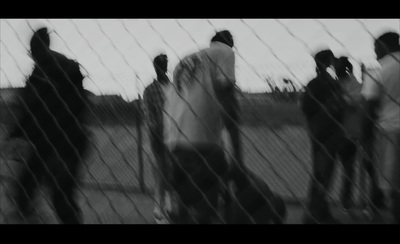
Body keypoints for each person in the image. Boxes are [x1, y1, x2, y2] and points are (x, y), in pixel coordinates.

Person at [6, 27, 88, 224]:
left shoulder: (53, 71)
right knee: (32, 189)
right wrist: (13, 136)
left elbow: (31, 113)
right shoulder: (45, 72)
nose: (33, 55)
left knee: (58, 196)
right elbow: (30, 113)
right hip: (53, 143)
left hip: (61, 144)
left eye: (33, 50)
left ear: (39, 48)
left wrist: (14, 134)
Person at [163, 30, 243, 224]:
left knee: (184, 208)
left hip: (174, 143)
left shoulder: (187, 60)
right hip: (202, 144)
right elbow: (228, 101)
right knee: (205, 210)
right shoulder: (225, 52)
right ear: (229, 44)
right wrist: (239, 158)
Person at [301, 49, 356, 224]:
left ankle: (319, 212)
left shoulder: (312, 84)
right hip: (330, 133)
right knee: (325, 174)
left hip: (316, 132)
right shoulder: (331, 84)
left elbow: (306, 107)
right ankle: (315, 214)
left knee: (319, 173)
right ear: (329, 62)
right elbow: (340, 107)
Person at [361, 32, 400, 223]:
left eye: (376, 47)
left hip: (390, 130)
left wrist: (364, 137)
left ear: (384, 46)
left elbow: (369, 107)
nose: (375, 52)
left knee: (392, 184)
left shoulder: (380, 71)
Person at [142, 53, 172, 224]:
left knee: (173, 176)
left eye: (165, 63)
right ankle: (159, 211)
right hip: (159, 139)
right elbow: (149, 117)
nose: (163, 66)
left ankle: (169, 209)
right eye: (160, 64)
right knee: (160, 175)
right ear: (155, 67)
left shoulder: (174, 87)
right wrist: (157, 137)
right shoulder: (149, 90)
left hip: (176, 138)